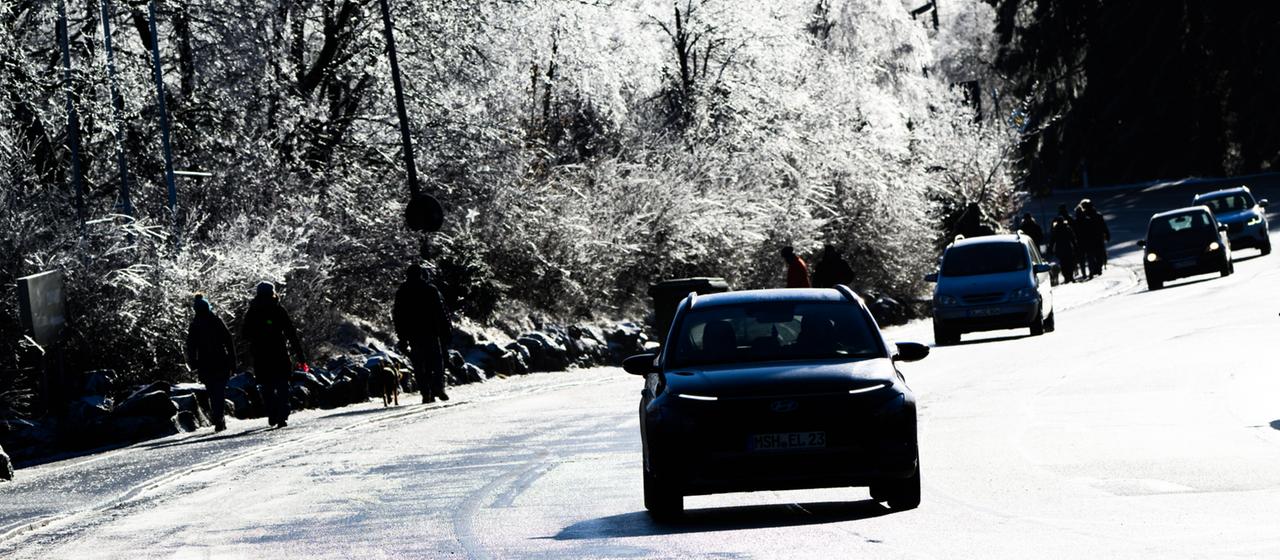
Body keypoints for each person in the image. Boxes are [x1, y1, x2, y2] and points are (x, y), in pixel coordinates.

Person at [242, 282, 302, 428]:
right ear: (272, 292)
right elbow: (290, 332)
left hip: (261, 354)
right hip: (279, 352)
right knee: (282, 385)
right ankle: (282, 413)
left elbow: (244, 334)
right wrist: (300, 354)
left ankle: (272, 412)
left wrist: (256, 337)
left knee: (266, 386)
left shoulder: (252, 311)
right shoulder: (278, 309)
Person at [393, 264, 452, 403]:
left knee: (419, 365)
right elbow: (440, 311)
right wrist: (446, 330)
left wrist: (402, 337)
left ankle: (426, 393)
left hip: (413, 334)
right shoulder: (430, 289)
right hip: (431, 331)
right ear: (421, 274)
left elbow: (398, 316)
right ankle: (438, 388)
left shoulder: (402, 291)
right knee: (437, 362)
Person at [185, 294, 235, 432]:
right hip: (220, 360)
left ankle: (218, 417)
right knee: (219, 391)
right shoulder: (216, 320)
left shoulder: (195, 325)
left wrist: (193, 362)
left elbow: (191, 346)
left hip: (205, 363)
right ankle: (219, 417)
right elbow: (228, 340)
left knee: (213, 391)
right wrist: (232, 360)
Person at [1048, 217, 1078, 283]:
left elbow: (1052, 240)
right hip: (1068, 248)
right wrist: (1075, 246)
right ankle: (1071, 276)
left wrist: (1050, 249)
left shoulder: (1055, 229)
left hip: (1060, 249)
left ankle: (1066, 277)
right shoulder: (1067, 228)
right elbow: (1072, 238)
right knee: (1070, 262)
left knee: (1063, 263)